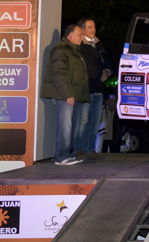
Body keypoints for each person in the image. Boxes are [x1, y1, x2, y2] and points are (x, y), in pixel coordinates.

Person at [41, 24, 89, 165]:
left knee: (71, 127)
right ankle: (61, 157)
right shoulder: (60, 49)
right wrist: (68, 94)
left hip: (74, 96)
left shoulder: (74, 51)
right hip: (64, 96)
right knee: (65, 127)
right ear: (70, 35)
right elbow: (59, 73)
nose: (82, 37)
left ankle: (67, 154)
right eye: (80, 34)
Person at [76, 17, 112, 159]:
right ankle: (79, 149)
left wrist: (108, 72)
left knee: (95, 121)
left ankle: (89, 149)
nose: (93, 30)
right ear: (83, 30)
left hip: (99, 89)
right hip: (87, 89)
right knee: (84, 121)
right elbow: (84, 65)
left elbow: (107, 60)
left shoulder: (97, 44)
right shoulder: (80, 45)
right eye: (90, 27)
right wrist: (100, 74)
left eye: (94, 27)